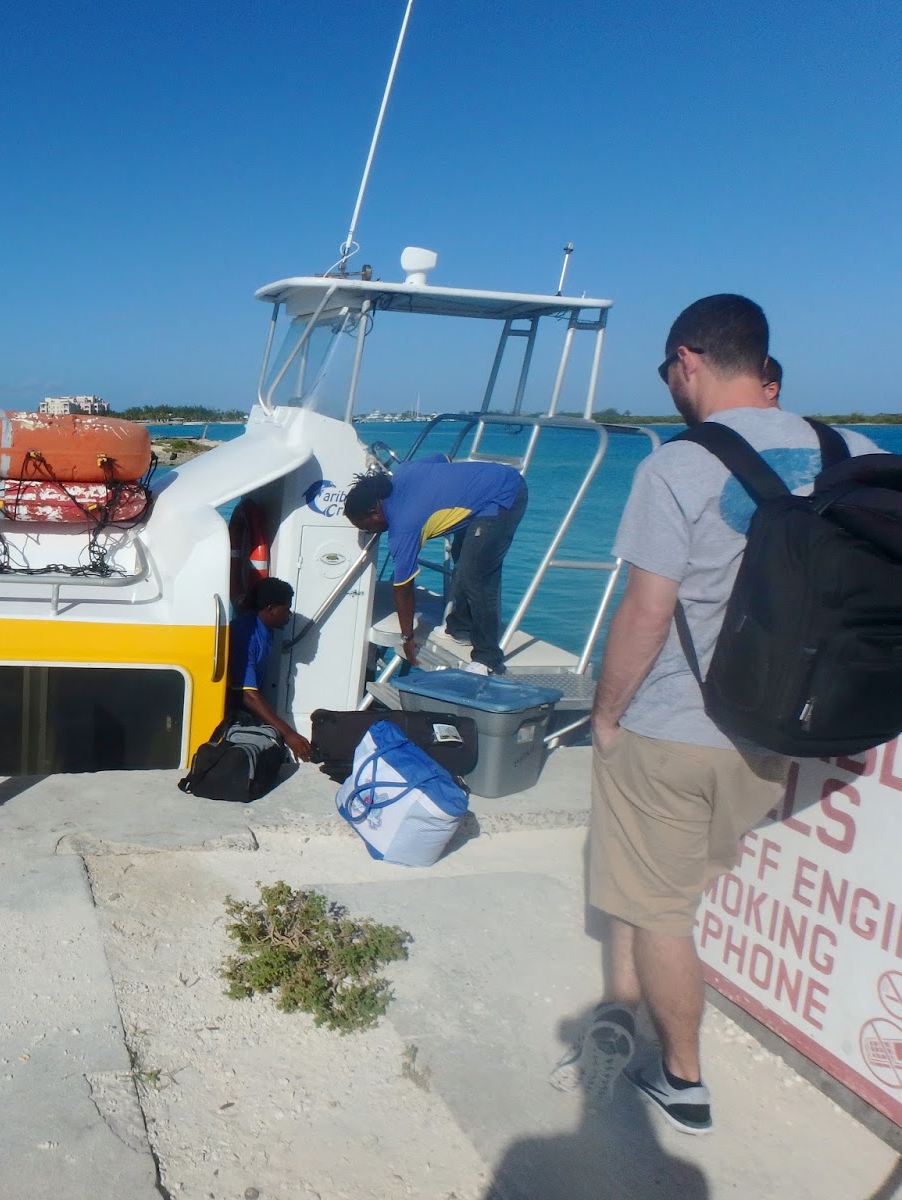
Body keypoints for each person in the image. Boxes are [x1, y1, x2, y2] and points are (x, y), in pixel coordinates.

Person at [553, 295, 880, 1134]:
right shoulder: (861, 453)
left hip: (674, 727)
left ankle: (682, 1079)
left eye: (667, 370)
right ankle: (621, 1000)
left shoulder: (678, 466)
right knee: (665, 883)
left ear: (687, 360)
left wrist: (606, 716)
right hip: (782, 730)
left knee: (660, 911)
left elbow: (645, 612)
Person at [343, 459, 527, 674]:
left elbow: (403, 588)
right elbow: (441, 458)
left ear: (375, 512)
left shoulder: (403, 526)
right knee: (465, 559)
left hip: (503, 495)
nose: (369, 533)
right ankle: (461, 628)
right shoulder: (403, 472)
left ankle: (488, 659)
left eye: (366, 527)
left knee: (476, 575)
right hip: (490, 481)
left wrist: (407, 637)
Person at [226, 577, 311, 760]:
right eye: (286, 609)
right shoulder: (245, 635)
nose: (289, 615)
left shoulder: (267, 629)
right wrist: (289, 734)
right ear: (271, 609)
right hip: (232, 717)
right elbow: (248, 695)